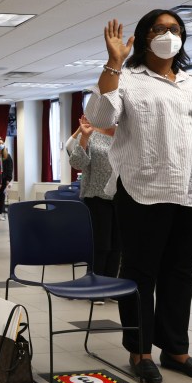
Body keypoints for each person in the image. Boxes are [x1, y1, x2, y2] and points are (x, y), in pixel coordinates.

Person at [86, 10, 192, 383]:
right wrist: (113, 63)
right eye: (158, 28)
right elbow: (100, 113)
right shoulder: (129, 79)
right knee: (140, 273)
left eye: (174, 29)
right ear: (144, 35)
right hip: (143, 189)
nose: (167, 34)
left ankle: (176, 350)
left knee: (181, 274)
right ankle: (140, 351)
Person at [67, 116, 120, 279]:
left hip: (121, 197)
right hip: (96, 196)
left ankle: (111, 285)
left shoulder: (124, 133)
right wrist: (84, 136)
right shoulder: (91, 132)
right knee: (101, 245)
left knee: (117, 246)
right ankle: (96, 284)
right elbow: (76, 162)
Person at [0, 137, 13, 221]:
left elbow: (10, 168)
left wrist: (8, 179)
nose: (1, 145)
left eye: (2, 143)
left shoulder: (7, 156)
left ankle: (0, 213)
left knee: (2, 196)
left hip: (3, 178)